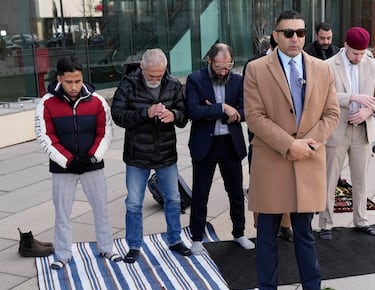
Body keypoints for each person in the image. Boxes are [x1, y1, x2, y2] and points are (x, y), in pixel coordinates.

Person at [243, 10, 340, 290]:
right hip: (272, 160)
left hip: (308, 160)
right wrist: (289, 145)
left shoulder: (322, 69)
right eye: (288, 33)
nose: (295, 38)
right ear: (275, 35)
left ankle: (313, 289)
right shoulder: (257, 69)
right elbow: (255, 117)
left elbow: (332, 114)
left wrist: (307, 143)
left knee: (305, 234)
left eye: (300, 33)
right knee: (267, 235)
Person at [35, 56, 122, 269]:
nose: (74, 87)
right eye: (69, 82)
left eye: (78, 81)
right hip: (62, 168)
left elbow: (105, 132)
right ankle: (63, 255)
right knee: (62, 212)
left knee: (101, 209)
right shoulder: (46, 103)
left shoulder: (97, 101)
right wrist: (68, 161)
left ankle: (107, 248)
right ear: (59, 79)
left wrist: (93, 156)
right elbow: (45, 136)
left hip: (92, 164)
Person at [111, 48, 191, 264]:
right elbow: (117, 116)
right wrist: (145, 113)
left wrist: (173, 115)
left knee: (173, 200)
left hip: (166, 153)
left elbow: (184, 116)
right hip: (137, 154)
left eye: (160, 74)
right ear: (142, 67)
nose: (156, 79)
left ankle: (175, 239)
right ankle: (134, 245)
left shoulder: (173, 84)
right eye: (151, 75)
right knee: (134, 203)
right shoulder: (128, 84)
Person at [318, 27, 375, 240]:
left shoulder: (372, 63)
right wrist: (352, 97)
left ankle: (361, 220)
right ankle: (325, 224)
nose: (359, 58)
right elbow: (323, 94)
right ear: (345, 46)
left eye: (362, 53)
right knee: (329, 179)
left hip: (363, 131)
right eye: (355, 54)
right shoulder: (328, 65)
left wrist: (370, 110)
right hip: (336, 131)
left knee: (360, 179)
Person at [185, 43, 254, 255]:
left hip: (230, 143)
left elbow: (246, 110)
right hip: (205, 143)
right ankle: (197, 237)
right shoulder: (195, 79)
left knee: (235, 191)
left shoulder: (237, 80)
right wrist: (222, 108)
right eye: (219, 67)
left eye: (228, 66)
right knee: (200, 193)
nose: (224, 71)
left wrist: (231, 112)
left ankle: (239, 233)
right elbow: (194, 111)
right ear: (209, 61)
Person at [243, 36, 294, 242]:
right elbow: (250, 106)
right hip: (262, 137)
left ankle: (285, 224)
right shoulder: (253, 66)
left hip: (287, 135)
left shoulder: (292, 64)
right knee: (263, 186)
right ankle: (263, 227)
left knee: (286, 183)